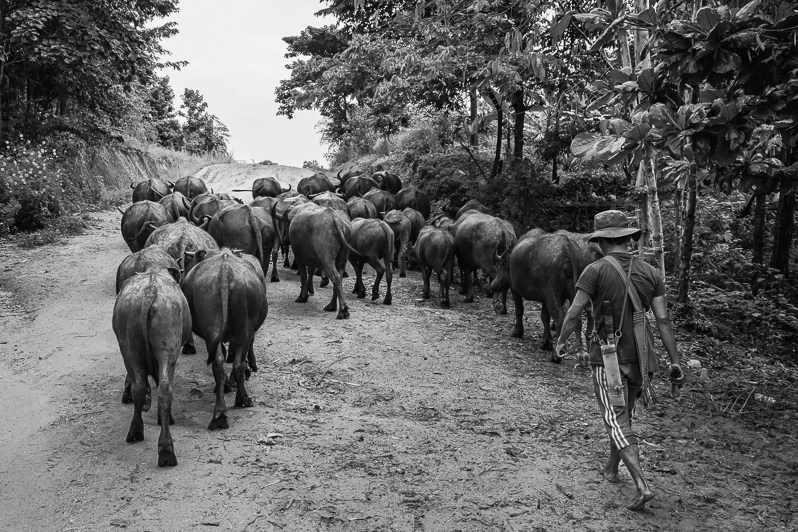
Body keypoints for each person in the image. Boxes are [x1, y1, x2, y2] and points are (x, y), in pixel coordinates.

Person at [554, 210, 683, 512]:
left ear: (600, 242)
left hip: (608, 357)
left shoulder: (595, 270)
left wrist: (561, 341)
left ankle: (642, 485)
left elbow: (575, 311)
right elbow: (663, 319)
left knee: (615, 418)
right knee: (624, 415)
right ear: (628, 238)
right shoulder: (652, 273)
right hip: (641, 358)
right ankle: (612, 467)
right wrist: (675, 360)